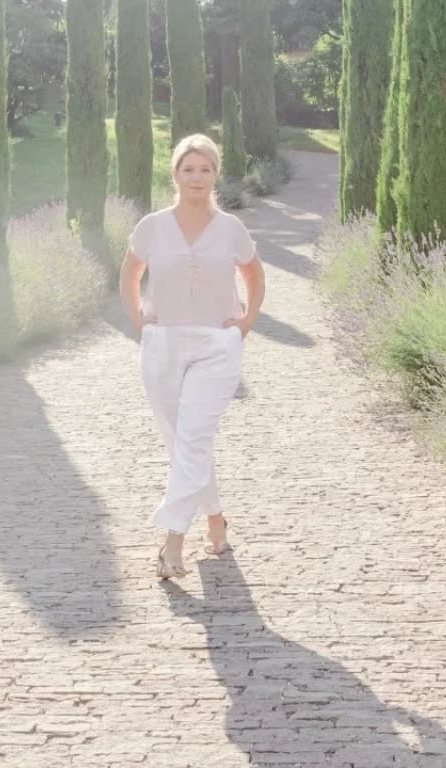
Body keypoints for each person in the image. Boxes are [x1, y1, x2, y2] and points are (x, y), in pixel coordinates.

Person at [119, 133, 266, 579]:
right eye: (189, 169)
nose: (197, 177)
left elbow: (254, 276)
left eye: (205, 169)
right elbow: (129, 274)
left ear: (216, 175)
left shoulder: (231, 229)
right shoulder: (151, 226)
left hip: (216, 348)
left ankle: (172, 543)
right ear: (175, 175)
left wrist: (246, 322)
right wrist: (139, 321)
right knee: (182, 444)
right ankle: (216, 518)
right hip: (162, 345)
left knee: (194, 438)